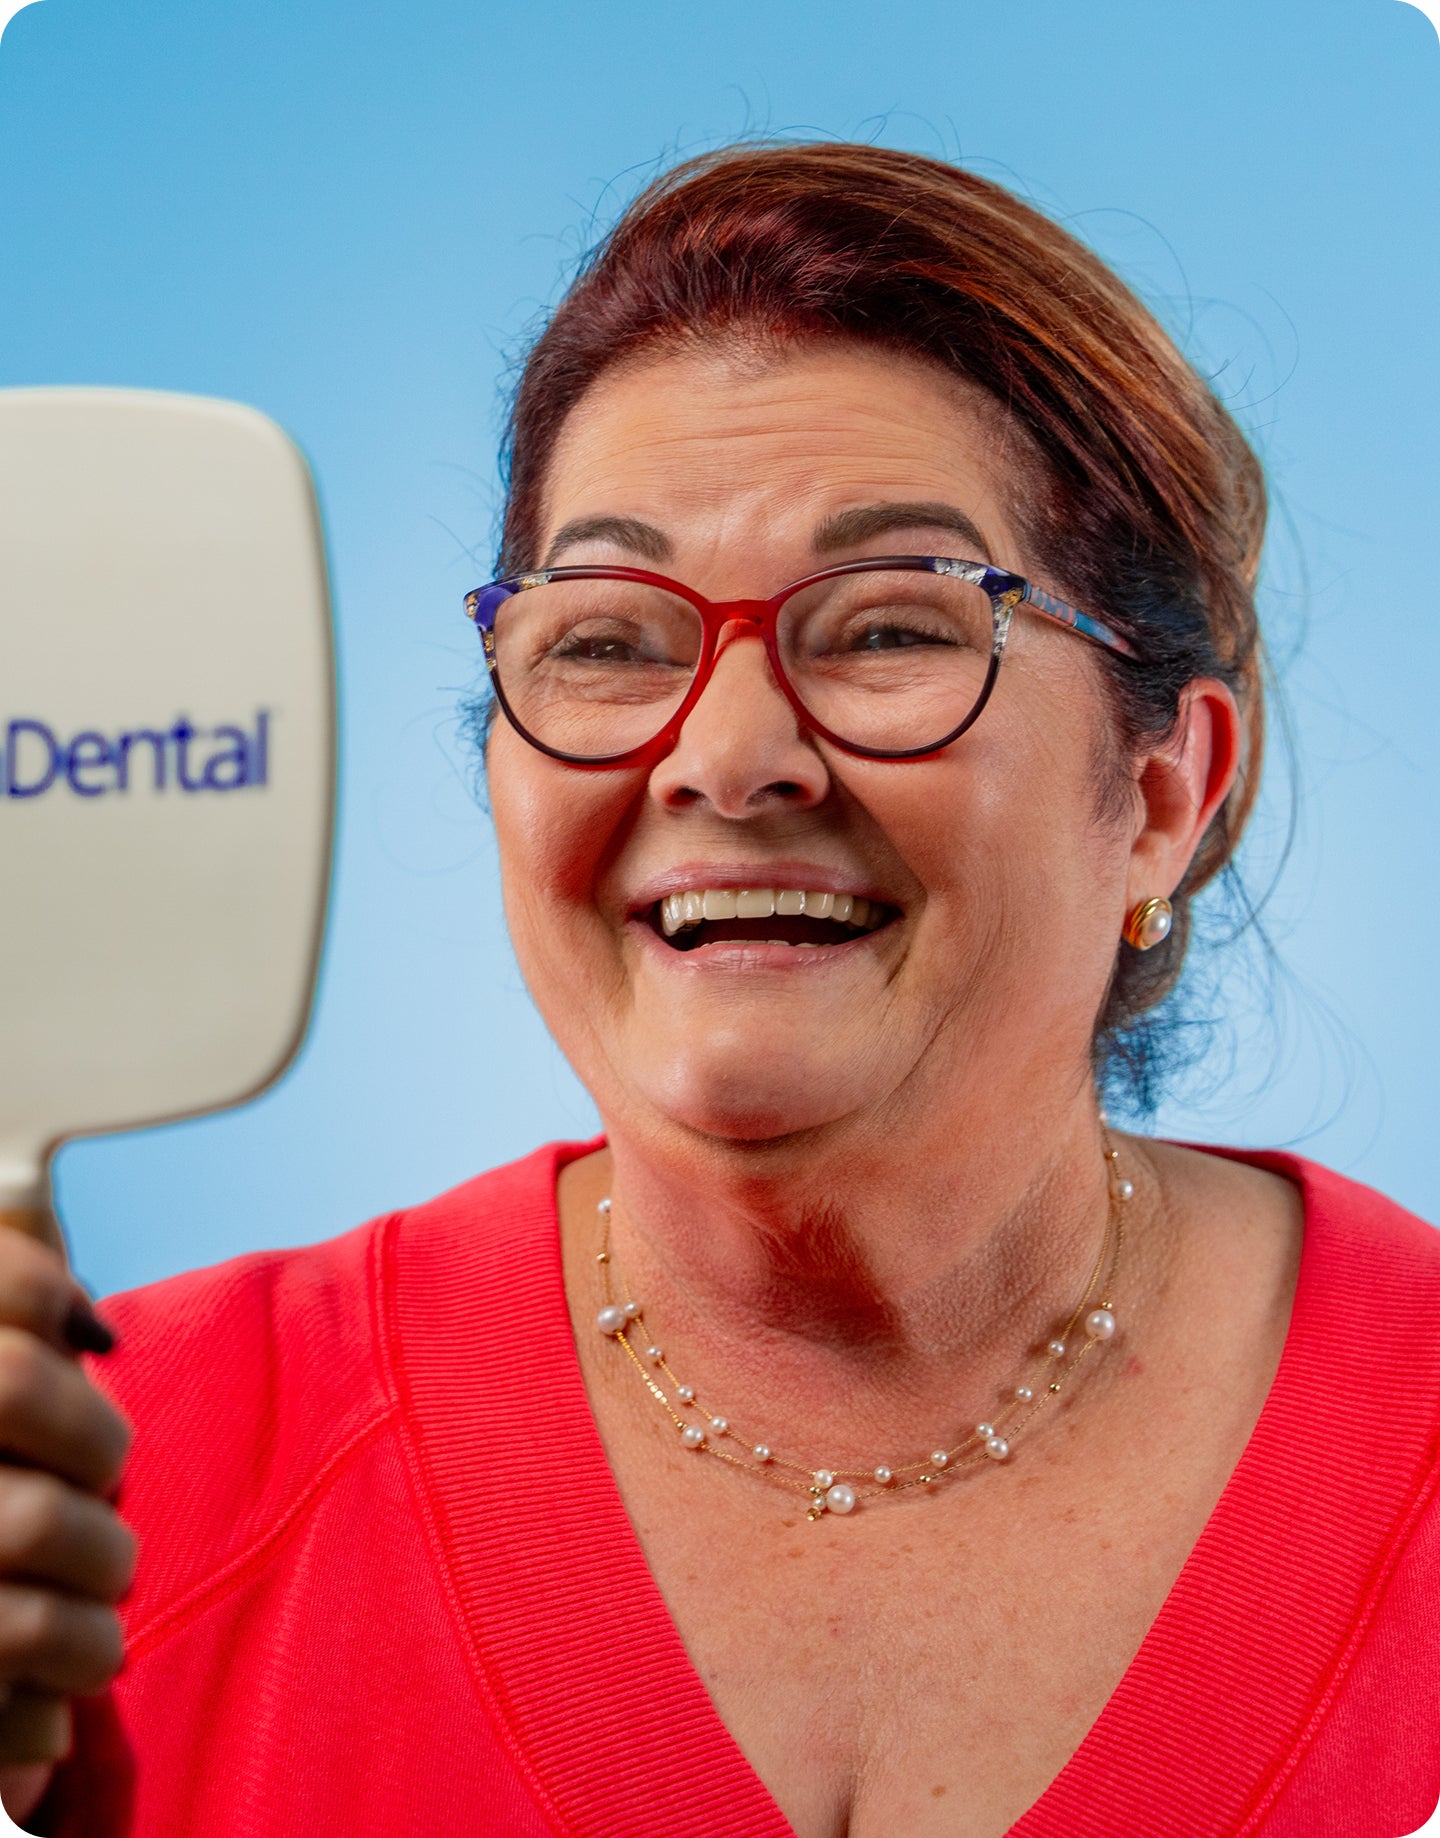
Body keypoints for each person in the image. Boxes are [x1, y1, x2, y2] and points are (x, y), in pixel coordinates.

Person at [1, 142, 1436, 1838]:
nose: (730, 756)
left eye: (891, 625)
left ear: (1160, 796)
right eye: (605, 641)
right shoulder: (102, 1483)